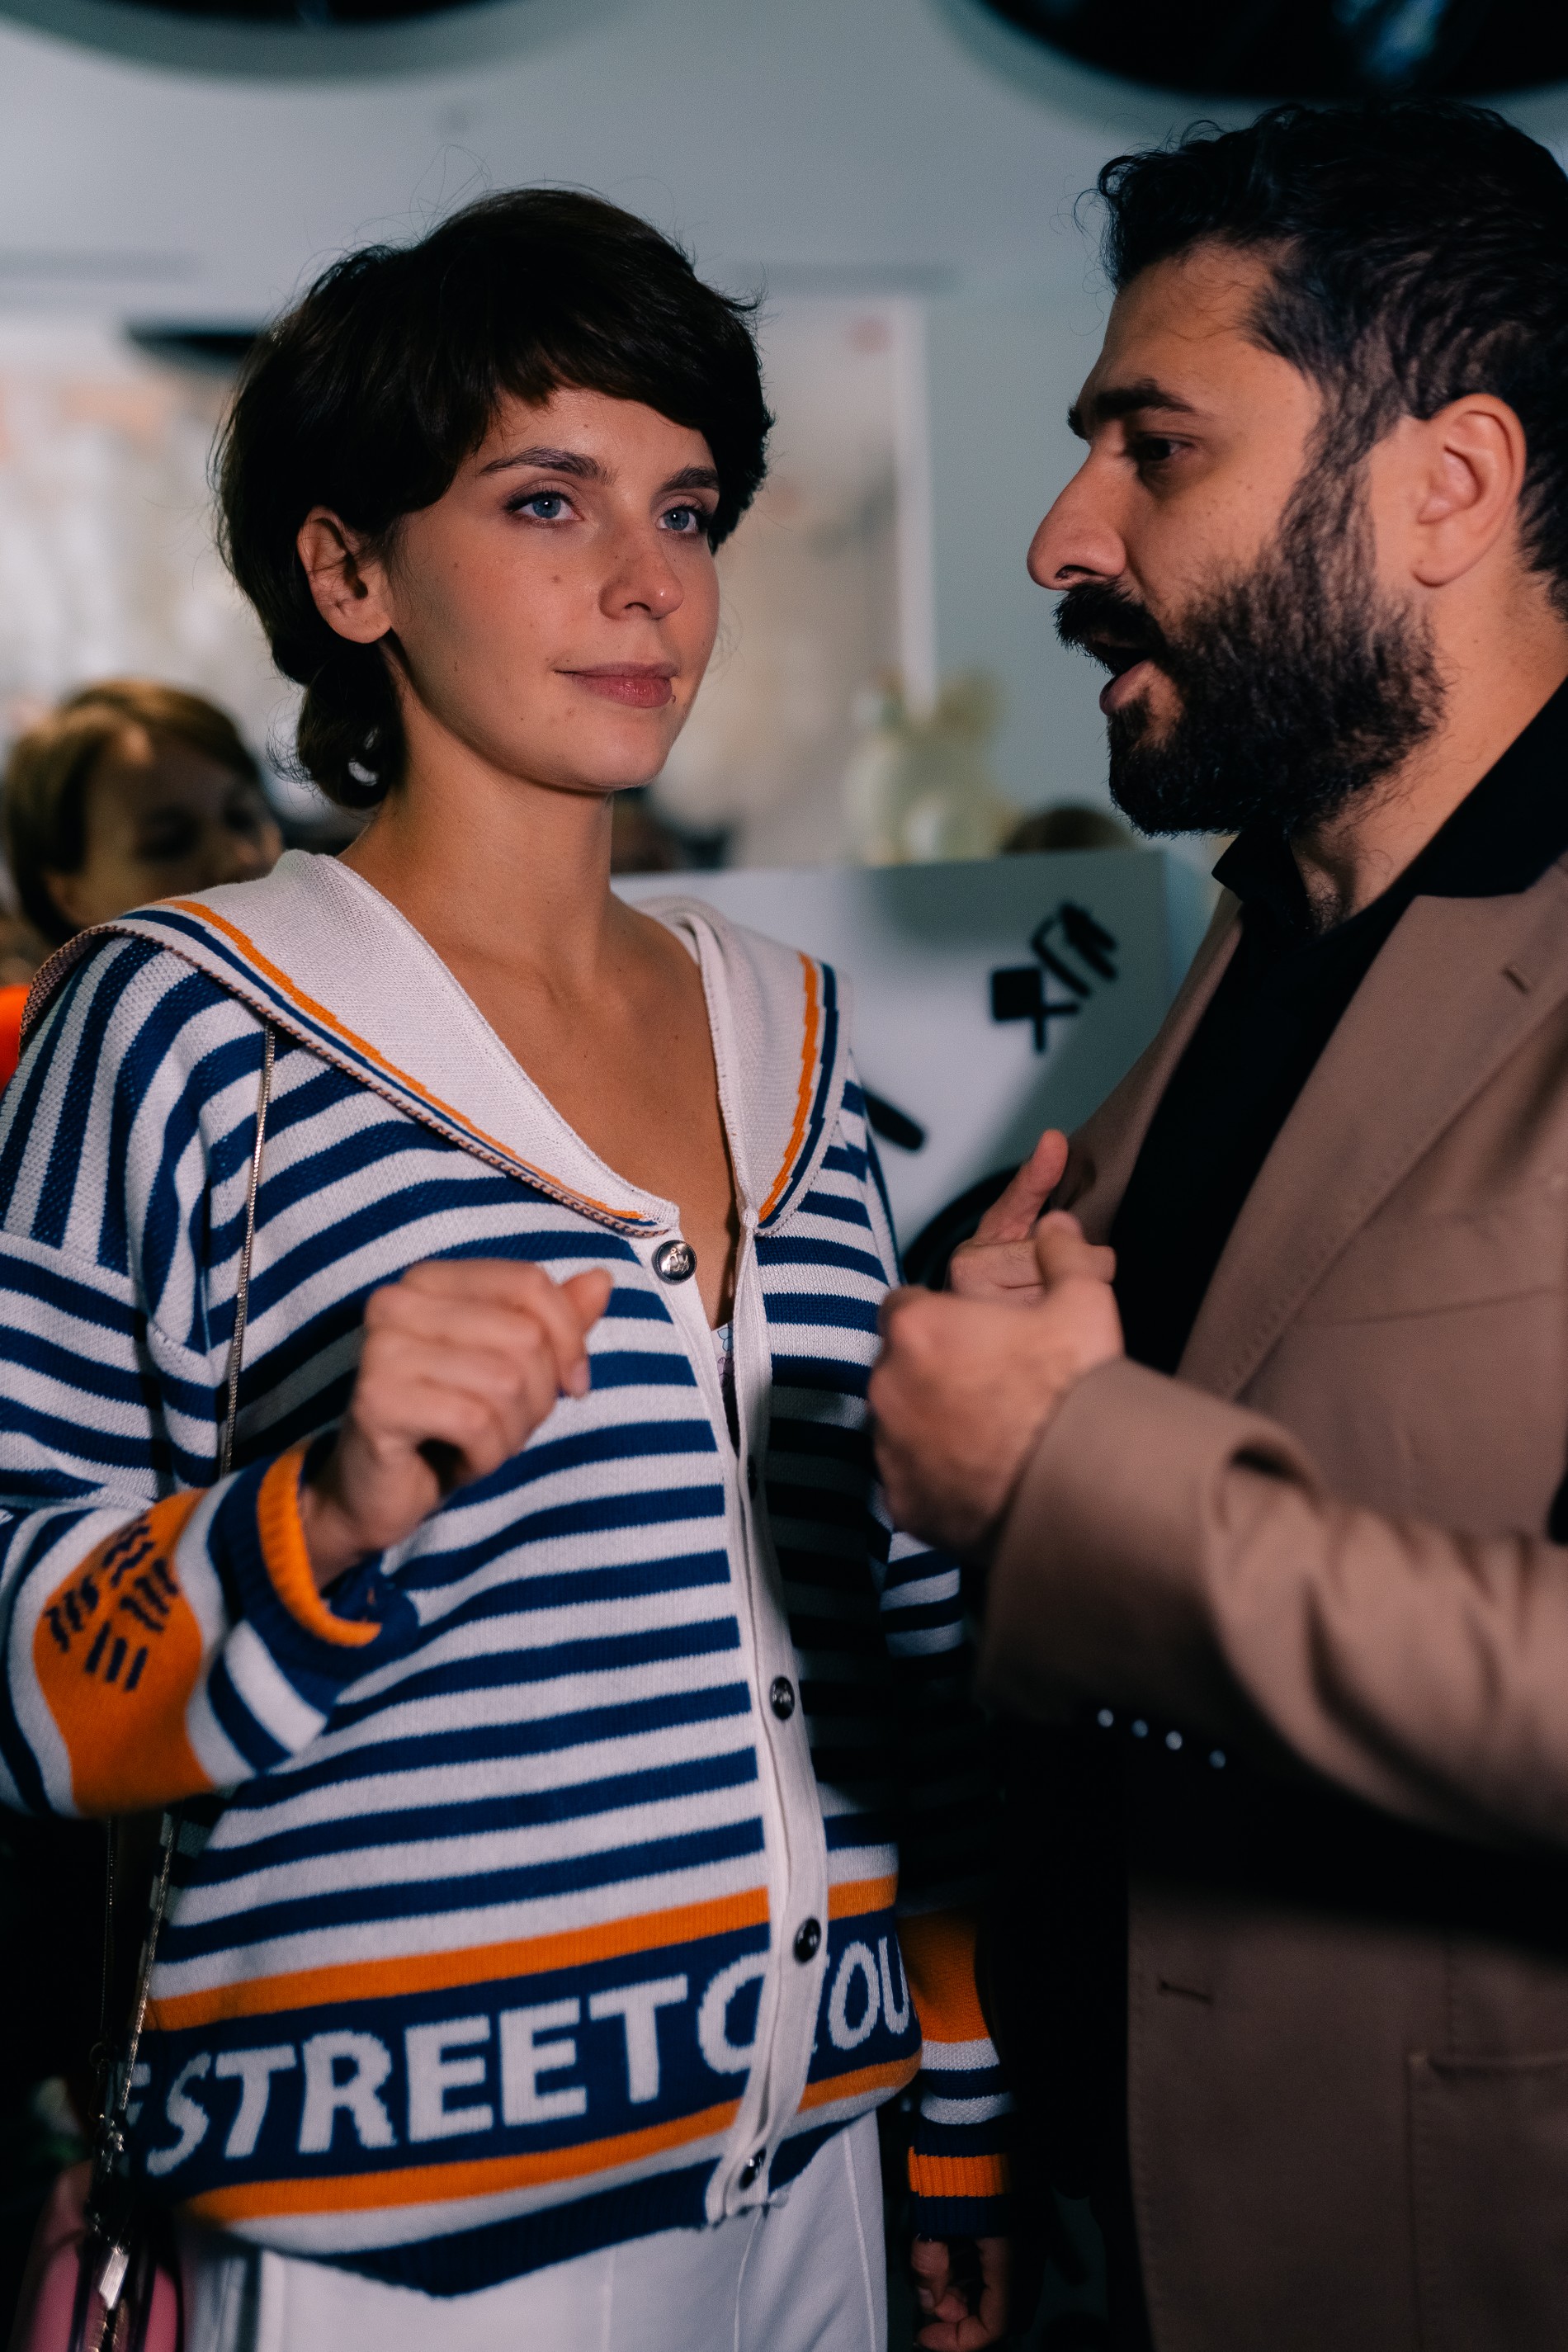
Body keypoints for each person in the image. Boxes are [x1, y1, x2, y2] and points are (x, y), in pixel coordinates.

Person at [0, 191, 1008, 2352]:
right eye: (545, 500)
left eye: (687, 509)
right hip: (394, 2241)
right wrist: (322, 1512)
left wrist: (952, 2090)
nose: (648, 582)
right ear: (347, 570)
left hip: (816, 2183)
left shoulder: (796, 1032)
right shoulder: (181, 1021)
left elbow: (885, 1638)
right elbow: (16, 1641)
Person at [870, 99, 1568, 2352]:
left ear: (1444, 486)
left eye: (1151, 448)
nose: (1061, 537)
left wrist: (1061, 1472)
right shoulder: (1268, 923)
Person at [0, 679, 282, 1081]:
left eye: (242, 817)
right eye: (169, 843)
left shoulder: (351, 997)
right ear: (69, 896)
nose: (238, 859)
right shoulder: (21, 1053)